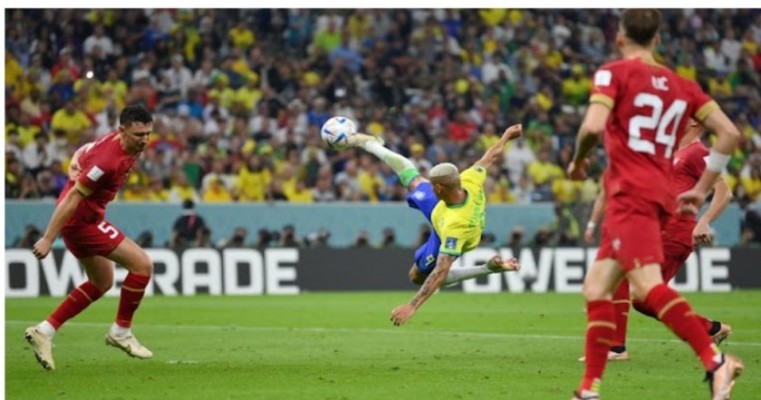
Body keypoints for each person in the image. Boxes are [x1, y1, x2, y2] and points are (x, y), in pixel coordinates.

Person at [566, 9, 743, 400]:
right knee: (596, 287)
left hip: (632, 193)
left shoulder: (613, 73)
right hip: (652, 194)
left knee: (645, 288)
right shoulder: (684, 87)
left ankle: (716, 363)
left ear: (619, 38)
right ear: (658, 40)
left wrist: (578, 162)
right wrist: (703, 186)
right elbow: (729, 133)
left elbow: (593, 126)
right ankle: (588, 389)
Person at [580, 120, 734, 363]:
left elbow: (724, 191)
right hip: (658, 231)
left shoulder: (698, 153)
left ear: (694, 122)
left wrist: (704, 222)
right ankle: (708, 329)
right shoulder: (673, 153)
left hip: (676, 233)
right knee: (643, 300)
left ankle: (616, 348)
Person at [346, 124, 524, 326]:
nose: (429, 187)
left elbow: (440, 272)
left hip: (450, 225)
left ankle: (487, 268)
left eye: (432, 185)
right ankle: (372, 144)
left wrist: (412, 306)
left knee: (417, 276)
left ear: (439, 187)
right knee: (412, 179)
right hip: (443, 208)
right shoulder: (469, 179)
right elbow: (490, 156)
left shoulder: (455, 229)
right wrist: (507, 136)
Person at [26, 105, 155, 370]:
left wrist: (74, 165)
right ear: (123, 131)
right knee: (142, 265)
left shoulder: (118, 143)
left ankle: (44, 331)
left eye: (147, 133)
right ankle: (121, 332)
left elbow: (83, 151)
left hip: (86, 219)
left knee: (102, 282)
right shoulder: (108, 161)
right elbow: (74, 198)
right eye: (138, 134)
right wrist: (49, 238)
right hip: (82, 223)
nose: (144, 139)